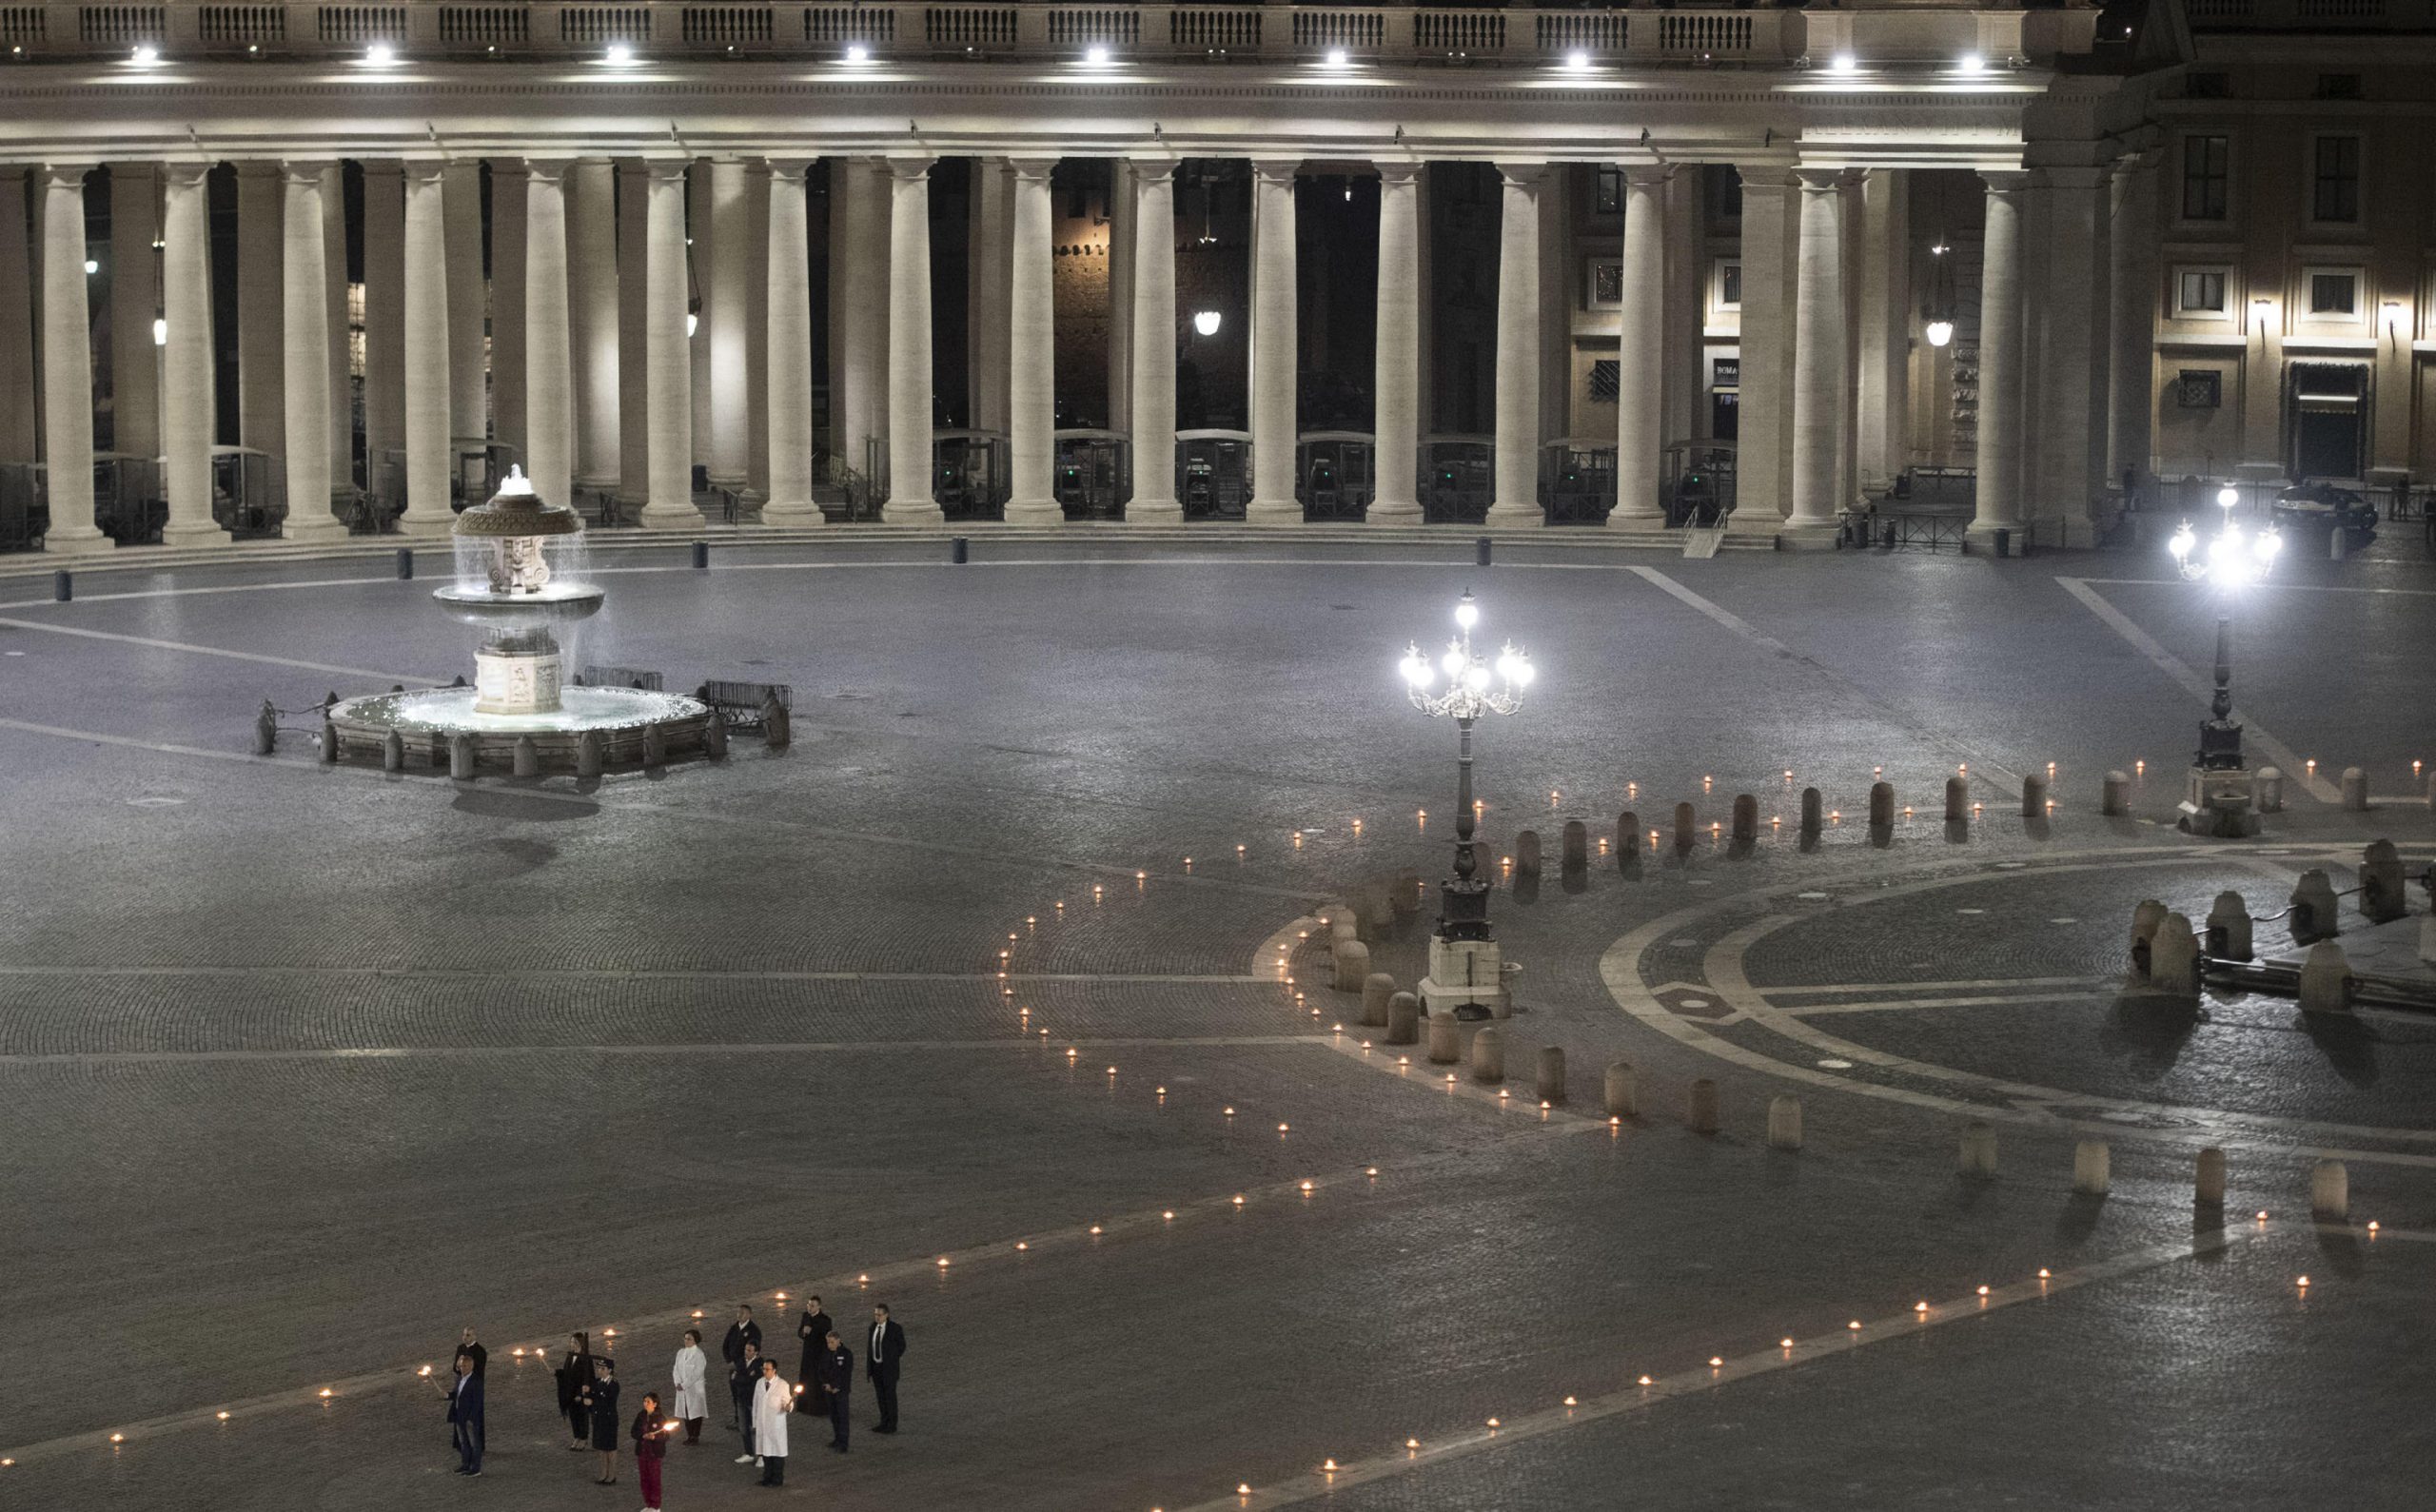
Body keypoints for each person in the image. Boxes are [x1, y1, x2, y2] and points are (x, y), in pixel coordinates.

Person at [440, 1353, 483, 1477]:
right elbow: (456, 1395)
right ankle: (465, 1465)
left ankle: (475, 1469)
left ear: (471, 1367)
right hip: (459, 1416)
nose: (462, 1368)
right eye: (461, 1366)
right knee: (463, 1442)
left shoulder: (476, 1381)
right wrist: (448, 1395)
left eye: (465, 1366)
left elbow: (477, 1403)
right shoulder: (459, 1379)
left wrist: (471, 1418)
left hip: (470, 1419)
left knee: (474, 1444)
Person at [867, 1304, 907, 1434]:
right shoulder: (873, 1327)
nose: (877, 1317)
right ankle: (883, 1422)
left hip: (888, 1370)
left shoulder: (895, 1328)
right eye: (875, 1314)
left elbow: (902, 1346)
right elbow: (870, 1348)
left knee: (890, 1397)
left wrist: (891, 1359)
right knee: (881, 1397)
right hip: (876, 1368)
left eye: (879, 1315)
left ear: (886, 1315)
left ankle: (892, 1425)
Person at [719, 1306, 761, 1430]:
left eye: (742, 1313)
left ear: (749, 1315)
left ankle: (752, 1422)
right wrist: (729, 1360)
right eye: (738, 1312)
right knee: (736, 1394)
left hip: (746, 1369)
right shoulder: (734, 1328)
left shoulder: (754, 1331)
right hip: (734, 1368)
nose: (739, 1315)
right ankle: (739, 1420)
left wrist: (741, 1364)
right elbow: (725, 1345)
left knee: (748, 1395)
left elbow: (754, 1351)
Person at [751, 1358, 791, 1486]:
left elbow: (787, 1402)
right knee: (766, 1453)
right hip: (763, 1424)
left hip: (775, 1425)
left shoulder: (782, 1384)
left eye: (767, 1369)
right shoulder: (759, 1383)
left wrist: (788, 1407)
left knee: (777, 1453)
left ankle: (777, 1479)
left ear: (774, 1370)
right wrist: (755, 1422)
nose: (764, 1371)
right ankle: (767, 1477)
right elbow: (756, 1403)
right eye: (763, 1369)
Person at [556, 1331, 598, 1451]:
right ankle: (576, 1437)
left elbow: (588, 1377)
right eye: (571, 1342)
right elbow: (567, 1373)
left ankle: (583, 1438)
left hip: (581, 1393)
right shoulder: (570, 1356)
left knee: (582, 1416)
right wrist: (557, 1372)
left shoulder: (586, 1358)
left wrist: (580, 1393)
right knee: (573, 1416)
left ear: (580, 1343)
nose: (572, 1344)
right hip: (570, 1392)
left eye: (574, 1342)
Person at [584, 1356, 622, 1485]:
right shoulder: (597, 1382)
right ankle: (603, 1473)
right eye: (599, 1368)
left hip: (609, 1420)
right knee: (601, 1448)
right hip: (599, 1419)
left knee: (610, 1448)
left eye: (603, 1369)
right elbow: (592, 1394)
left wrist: (592, 1402)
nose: (600, 1371)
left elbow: (608, 1402)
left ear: (610, 1370)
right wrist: (587, 1393)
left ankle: (612, 1475)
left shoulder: (613, 1385)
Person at [814, 1331, 853, 1453]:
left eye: (832, 1342)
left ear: (838, 1340)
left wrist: (836, 1386)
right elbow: (820, 1370)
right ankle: (837, 1439)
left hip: (841, 1391)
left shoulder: (846, 1354)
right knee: (834, 1416)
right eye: (828, 1342)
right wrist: (826, 1384)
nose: (829, 1345)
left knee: (842, 1417)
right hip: (829, 1390)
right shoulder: (826, 1353)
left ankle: (844, 1443)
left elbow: (846, 1374)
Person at [633, 1390, 671, 1512]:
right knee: (644, 1479)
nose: (645, 1403)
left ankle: (655, 1506)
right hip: (642, 1452)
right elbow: (633, 1431)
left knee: (654, 1480)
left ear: (655, 1404)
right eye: (644, 1401)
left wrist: (654, 1438)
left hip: (654, 1454)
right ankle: (648, 1504)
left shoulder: (660, 1418)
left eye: (648, 1401)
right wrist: (642, 1436)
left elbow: (666, 1436)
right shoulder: (641, 1415)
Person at [729, 1339, 764, 1465]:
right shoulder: (740, 1361)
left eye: (749, 1350)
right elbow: (734, 1379)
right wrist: (745, 1377)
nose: (746, 1352)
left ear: (756, 1352)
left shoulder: (760, 1364)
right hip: (742, 1399)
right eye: (745, 1349)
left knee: (759, 1429)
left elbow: (753, 1381)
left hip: (754, 1401)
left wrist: (740, 1378)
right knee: (743, 1428)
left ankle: (762, 1455)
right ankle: (748, 1453)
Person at [673, 1327, 710, 1445]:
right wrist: (677, 1382)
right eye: (685, 1338)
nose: (686, 1341)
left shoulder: (699, 1355)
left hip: (695, 1389)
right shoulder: (680, 1353)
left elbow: (697, 1373)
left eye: (689, 1339)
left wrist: (684, 1385)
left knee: (696, 1412)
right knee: (686, 1411)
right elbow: (676, 1369)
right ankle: (689, 1435)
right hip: (682, 1388)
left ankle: (695, 1435)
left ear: (695, 1340)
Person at [794, 1295, 834, 1403]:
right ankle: (804, 1403)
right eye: (808, 1305)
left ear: (819, 1307)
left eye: (812, 1306)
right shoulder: (806, 1316)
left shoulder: (825, 1320)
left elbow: (826, 1337)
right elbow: (800, 1333)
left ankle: (818, 1404)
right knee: (805, 1378)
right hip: (807, 1353)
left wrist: (812, 1331)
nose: (809, 1307)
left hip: (819, 1355)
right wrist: (803, 1332)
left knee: (817, 1379)